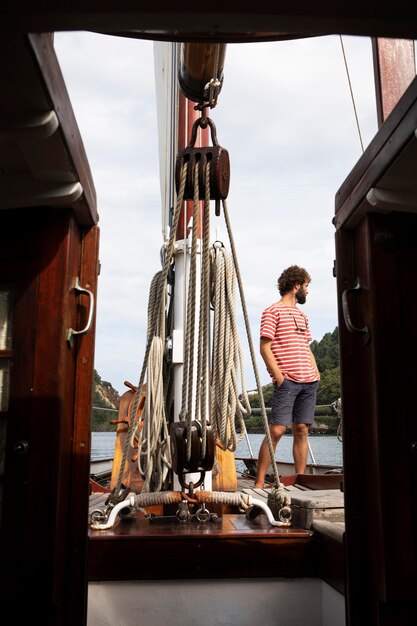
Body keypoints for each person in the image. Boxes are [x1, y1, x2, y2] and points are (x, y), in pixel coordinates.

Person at [254, 265, 320, 487]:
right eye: (306, 286)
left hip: (309, 381)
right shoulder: (272, 312)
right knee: (277, 430)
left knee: (301, 429)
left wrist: (316, 373)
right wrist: (279, 377)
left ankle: (299, 480)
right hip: (288, 381)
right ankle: (260, 481)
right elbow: (265, 347)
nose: (308, 291)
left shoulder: (302, 315)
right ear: (296, 285)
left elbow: (306, 346)